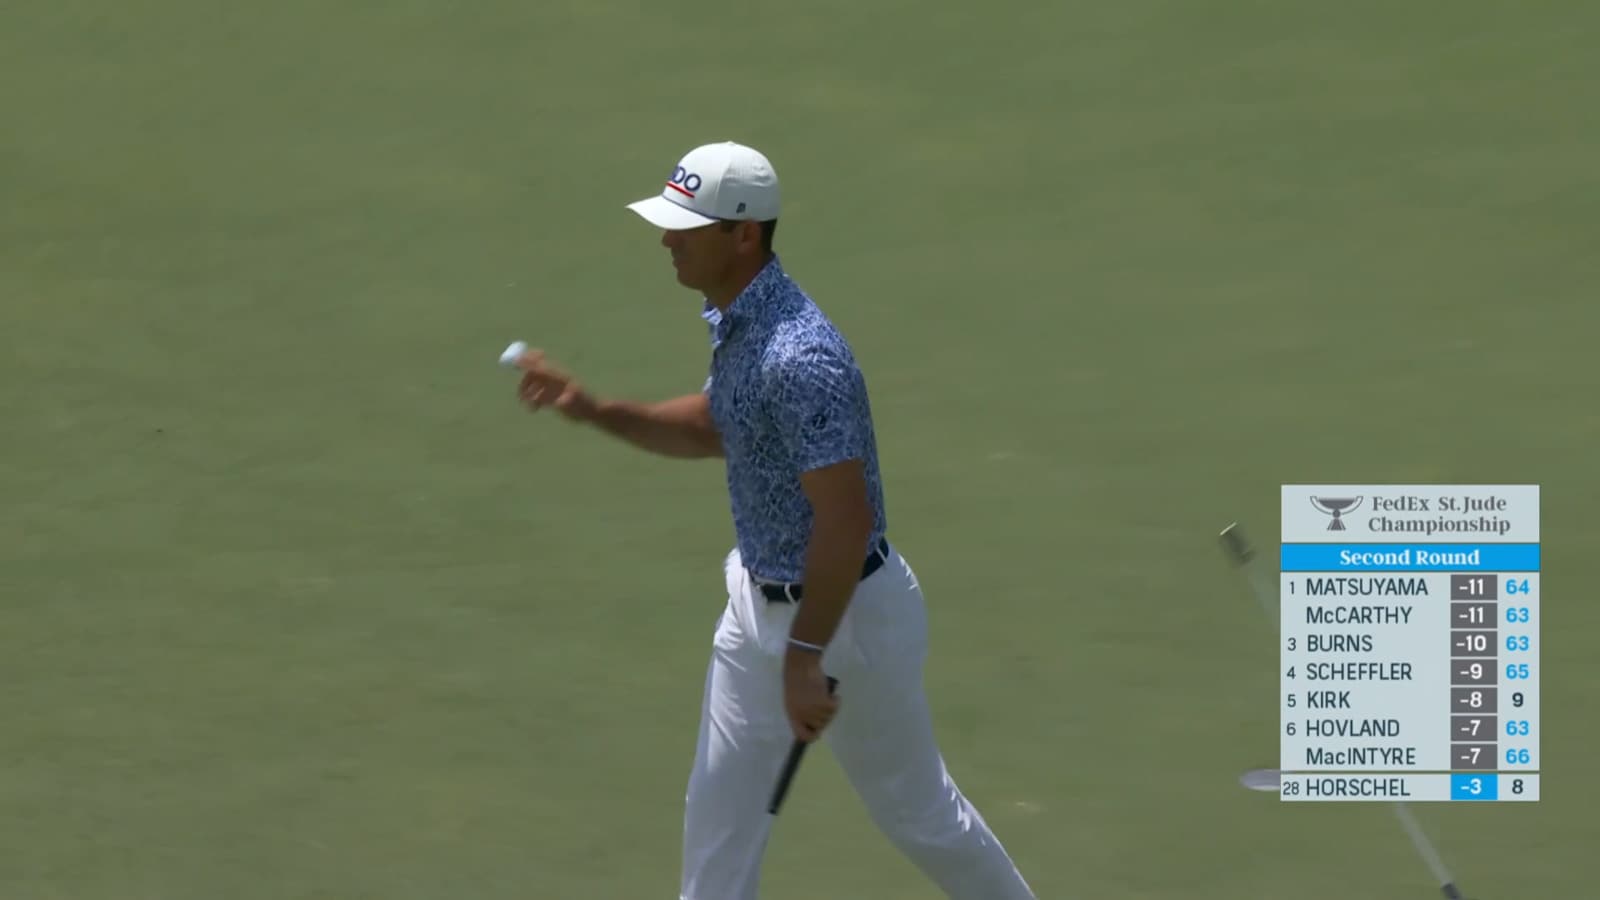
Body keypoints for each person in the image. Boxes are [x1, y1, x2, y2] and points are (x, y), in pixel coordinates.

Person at [513, 141, 1037, 900]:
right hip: (758, 611)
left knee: (921, 816)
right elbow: (718, 425)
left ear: (743, 234)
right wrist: (595, 411)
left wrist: (804, 655)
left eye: (685, 227)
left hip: (844, 624)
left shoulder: (800, 356)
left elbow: (845, 519)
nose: (666, 240)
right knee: (717, 841)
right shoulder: (738, 319)